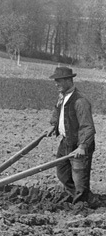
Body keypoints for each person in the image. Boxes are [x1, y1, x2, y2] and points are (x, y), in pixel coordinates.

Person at [44, 66, 96, 205]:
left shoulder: (80, 101)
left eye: (59, 80)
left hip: (79, 144)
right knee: (62, 173)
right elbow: (58, 112)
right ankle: (85, 198)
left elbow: (87, 126)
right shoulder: (62, 97)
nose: (56, 83)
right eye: (55, 80)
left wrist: (83, 146)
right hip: (66, 141)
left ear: (68, 80)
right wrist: (53, 125)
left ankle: (81, 205)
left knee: (80, 178)